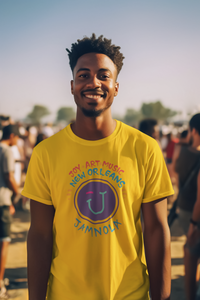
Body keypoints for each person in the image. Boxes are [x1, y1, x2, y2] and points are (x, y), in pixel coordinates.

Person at [22, 34, 174, 300]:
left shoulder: (145, 148)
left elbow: (156, 230)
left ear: (116, 86)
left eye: (104, 76)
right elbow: (40, 235)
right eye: (84, 75)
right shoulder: (45, 153)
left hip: (130, 294)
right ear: (72, 86)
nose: (94, 82)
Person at [174, 113, 200, 300]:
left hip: (183, 208)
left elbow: (174, 171)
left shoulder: (180, 151)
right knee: (192, 251)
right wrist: (194, 222)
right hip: (195, 214)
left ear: (192, 131)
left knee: (190, 250)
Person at [0, 124, 20, 298]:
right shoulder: (6, 151)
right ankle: (0, 284)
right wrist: (18, 193)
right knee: (4, 242)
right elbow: (9, 176)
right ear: (12, 136)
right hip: (2, 202)